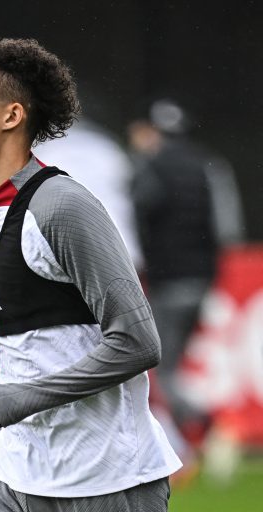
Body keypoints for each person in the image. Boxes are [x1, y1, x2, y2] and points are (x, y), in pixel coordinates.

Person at [0, 35, 181, 511]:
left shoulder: (62, 206)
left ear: (11, 116)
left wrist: (14, 402)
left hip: (104, 482)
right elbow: (33, 356)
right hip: (14, 476)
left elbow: (138, 343)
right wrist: (0, 433)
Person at [128, 98, 245, 444]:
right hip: (202, 280)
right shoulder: (209, 165)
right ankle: (189, 439)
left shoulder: (149, 166)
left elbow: (133, 222)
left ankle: (207, 422)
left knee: (161, 371)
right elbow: (229, 228)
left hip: (166, 281)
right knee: (173, 365)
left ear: (152, 131)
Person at [0, 118, 144, 273]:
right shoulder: (106, 148)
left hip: (58, 262)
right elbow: (145, 197)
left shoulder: (31, 147)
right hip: (121, 256)